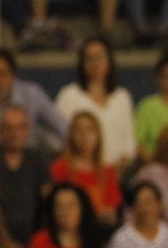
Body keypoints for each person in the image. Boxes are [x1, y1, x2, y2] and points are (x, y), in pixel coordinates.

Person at [0, 49, 67, 160]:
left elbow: (64, 128)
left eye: (1, 75)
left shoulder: (32, 93)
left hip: (30, 162)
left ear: (13, 76)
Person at [0, 106, 53, 248]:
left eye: (20, 128)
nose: (14, 134)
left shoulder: (37, 159)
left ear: (28, 131)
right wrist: (6, 243)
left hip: (32, 238)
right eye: (8, 128)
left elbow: (49, 201)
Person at [53, 38, 135, 169]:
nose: (95, 63)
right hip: (79, 172)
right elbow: (56, 139)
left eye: (100, 57)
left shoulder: (122, 97)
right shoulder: (69, 95)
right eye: (89, 58)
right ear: (82, 63)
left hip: (115, 173)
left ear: (109, 61)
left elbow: (129, 143)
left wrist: (118, 169)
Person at [50, 113, 122, 229]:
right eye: (78, 130)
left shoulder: (108, 172)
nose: (84, 136)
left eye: (89, 130)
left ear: (98, 135)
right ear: (71, 135)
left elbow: (111, 214)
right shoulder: (59, 168)